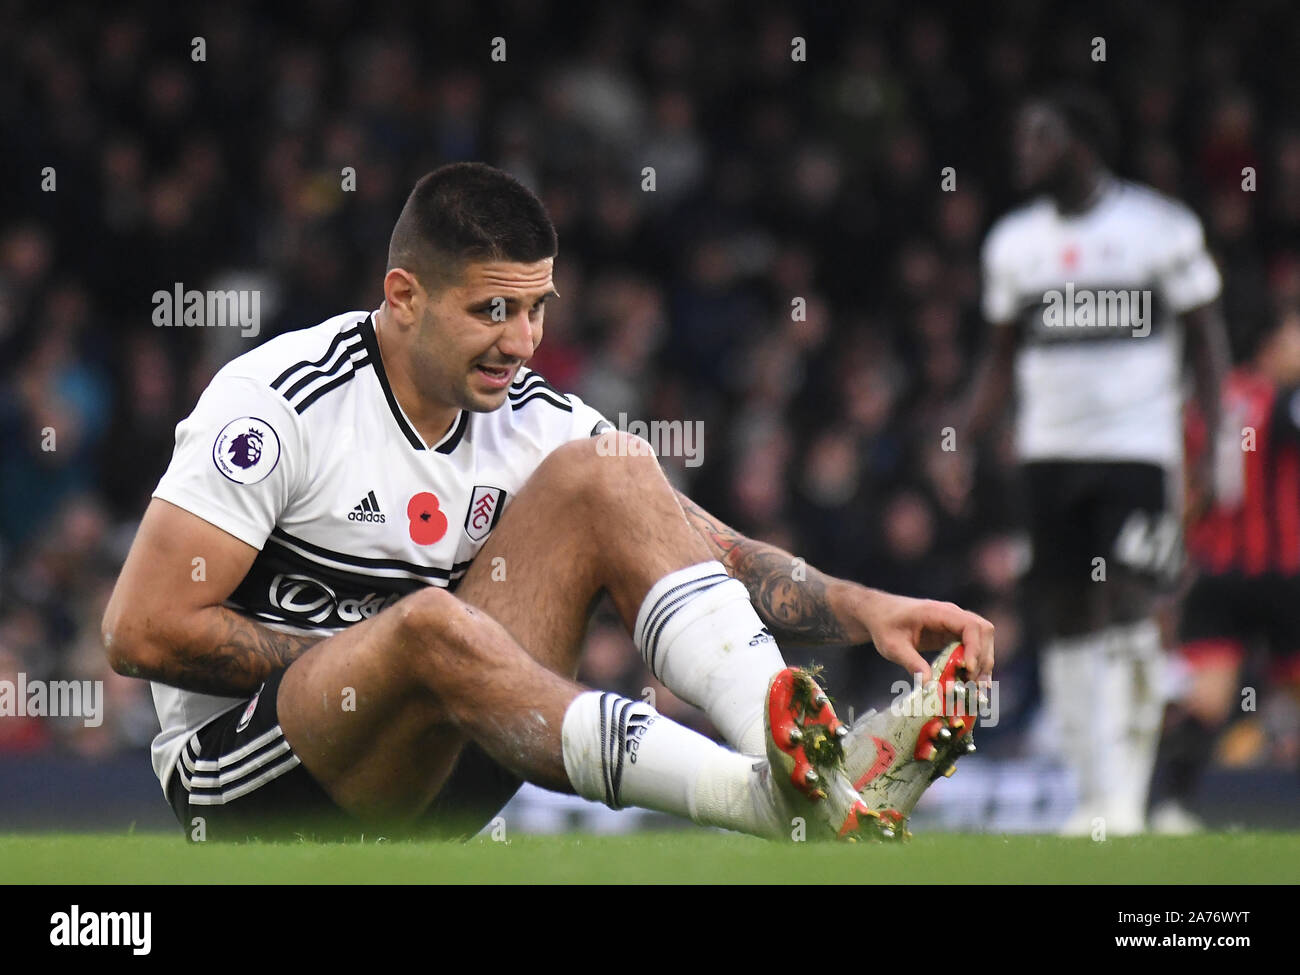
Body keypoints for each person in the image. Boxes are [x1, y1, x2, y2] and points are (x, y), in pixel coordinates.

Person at [102, 162, 994, 843]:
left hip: (444, 763)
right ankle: (760, 802)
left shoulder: (531, 416)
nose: (523, 343)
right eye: (494, 310)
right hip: (250, 778)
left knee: (612, 468)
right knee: (428, 628)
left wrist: (861, 605)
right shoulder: (278, 404)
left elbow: (700, 548)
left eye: (537, 309)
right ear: (404, 297)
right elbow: (139, 631)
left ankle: (806, 763)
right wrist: (381, 670)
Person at [965, 92, 1229, 835]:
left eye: (1037, 136)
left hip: (1138, 450)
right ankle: (1095, 797)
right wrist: (960, 433)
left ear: (1081, 141)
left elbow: (1207, 339)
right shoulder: (1013, 243)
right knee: (1066, 612)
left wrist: (1216, 434)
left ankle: (1128, 793)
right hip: (1050, 453)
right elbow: (998, 356)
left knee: (1134, 600)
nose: (1022, 150)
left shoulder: (1159, 228)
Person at [1150, 305, 1300, 832]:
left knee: (1205, 700)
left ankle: (1171, 807)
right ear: (1270, 343)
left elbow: (1190, 493)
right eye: (1293, 330)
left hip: (1217, 576)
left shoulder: (1203, 405)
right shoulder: (1284, 400)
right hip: (1285, 575)